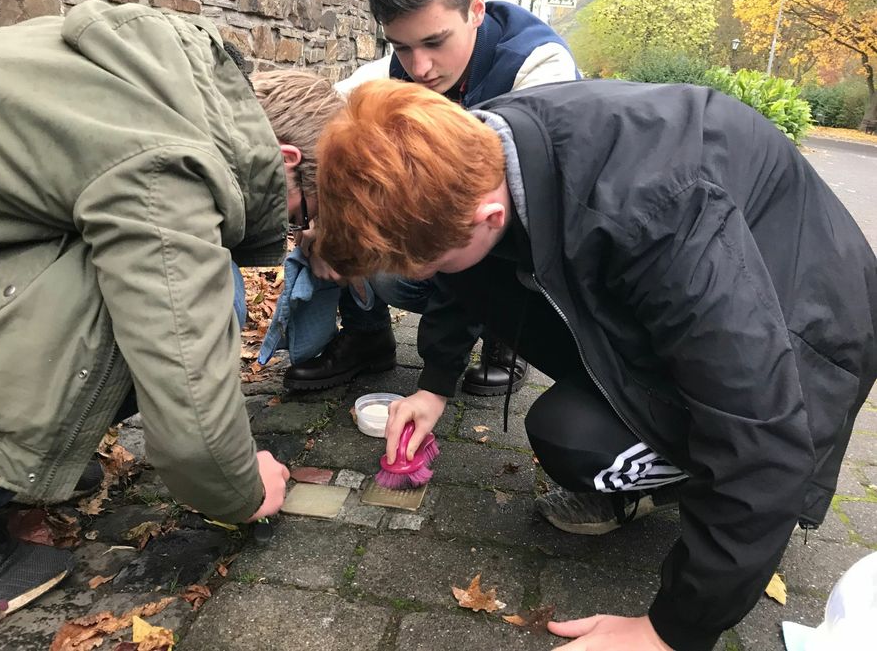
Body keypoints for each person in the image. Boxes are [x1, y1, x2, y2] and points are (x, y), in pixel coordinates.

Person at [314, 78, 877, 651]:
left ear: (488, 216)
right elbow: (467, 278)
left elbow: (763, 435)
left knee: (578, 436)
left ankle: (685, 476)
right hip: (712, 286)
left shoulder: (654, 216)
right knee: (549, 382)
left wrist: (670, 631)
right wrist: (434, 386)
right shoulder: (475, 146)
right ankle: (674, 450)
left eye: (432, 265)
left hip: (807, 335)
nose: (430, 278)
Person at [0, 1, 343, 626]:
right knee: (172, 296)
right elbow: (179, 357)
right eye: (303, 214)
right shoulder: (169, 159)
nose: (293, 230)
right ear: (287, 159)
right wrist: (242, 488)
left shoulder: (154, 80)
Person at [282, 0, 580, 396]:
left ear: (475, 10)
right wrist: (325, 222)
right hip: (447, 245)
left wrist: (436, 380)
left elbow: (532, 217)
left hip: (515, 245)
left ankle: (508, 335)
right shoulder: (396, 70)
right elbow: (320, 120)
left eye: (435, 42)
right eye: (401, 46)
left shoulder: (539, 72)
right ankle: (367, 335)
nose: (419, 68)